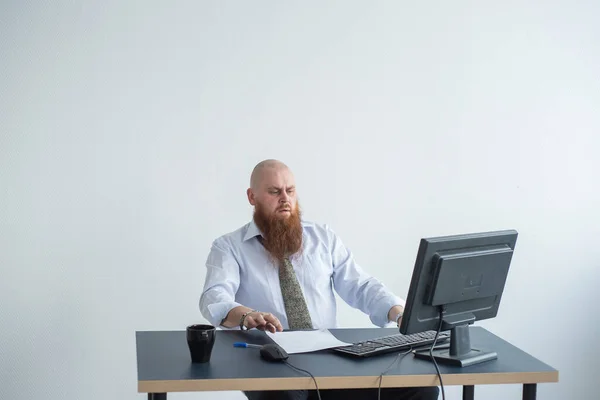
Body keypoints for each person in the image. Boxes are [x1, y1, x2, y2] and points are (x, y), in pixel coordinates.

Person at [199, 159, 439, 400]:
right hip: (268, 358)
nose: (285, 199)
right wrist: (245, 314)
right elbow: (214, 296)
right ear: (252, 197)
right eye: (274, 192)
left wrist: (397, 311)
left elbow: (359, 285)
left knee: (422, 389)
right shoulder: (229, 247)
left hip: (328, 357)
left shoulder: (322, 237)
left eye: (290, 191)